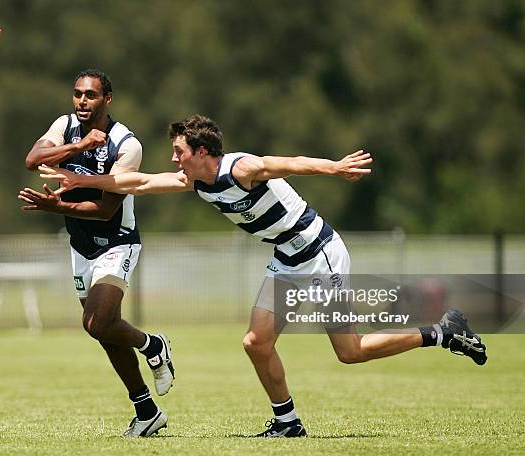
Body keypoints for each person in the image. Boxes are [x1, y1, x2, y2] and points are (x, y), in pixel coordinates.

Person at [37, 114, 487, 438]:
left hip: (320, 254)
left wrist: (334, 167)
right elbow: (135, 183)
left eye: (179, 152)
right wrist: (81, 183)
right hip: (287, 260)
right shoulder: (194, 181)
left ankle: (441, 332)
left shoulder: (240, 168)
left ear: (202, 152)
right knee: (255, 342)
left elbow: (288, 161)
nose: (173, 159)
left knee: (349, 352)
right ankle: (287, 422)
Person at [18, 69, 174, 437]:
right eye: (77, 94)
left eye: (90, 95)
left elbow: (106, 210)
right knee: (104, 333)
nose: (81, 102)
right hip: (81, 245)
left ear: (108, 99)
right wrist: (78, 147)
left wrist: (53, 208)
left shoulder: (126, 144)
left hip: (117, 240)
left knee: (97, 323)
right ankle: (146, 410)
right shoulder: (66, 125)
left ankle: (153, 344)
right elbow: (32, 159)